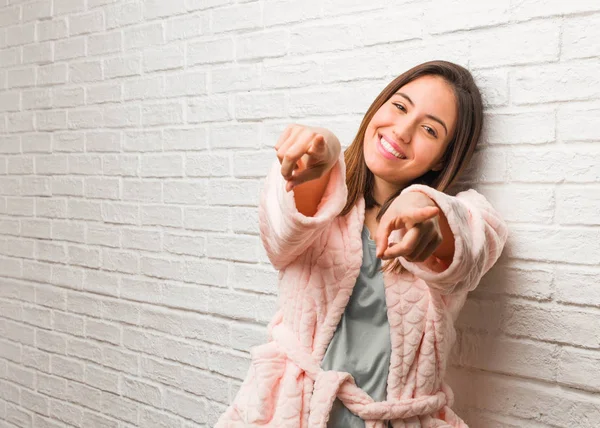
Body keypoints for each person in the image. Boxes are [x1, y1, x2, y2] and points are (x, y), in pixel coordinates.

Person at [216, 60, 508, 428]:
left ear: (443, 158)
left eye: (430, 130)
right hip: (292, 413)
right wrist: (318, 161)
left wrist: (425, 208)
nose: (402, 131)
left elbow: (472, 244)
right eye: (400, 106)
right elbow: (280, 232)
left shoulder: (461, 217)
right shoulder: (324, 201)